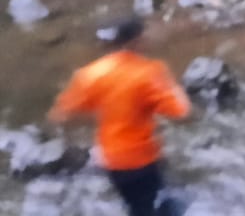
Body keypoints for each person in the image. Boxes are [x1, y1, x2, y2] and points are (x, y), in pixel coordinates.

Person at [49, 18, 191, 216]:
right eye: (145, 35)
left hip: (112, 160)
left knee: (134, 206)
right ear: (136, 41)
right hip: (142, 159)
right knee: (158, 204)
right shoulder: (150, 72)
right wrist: (171, 85)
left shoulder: (91, 74)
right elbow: (180, 110)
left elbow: (62, 113)